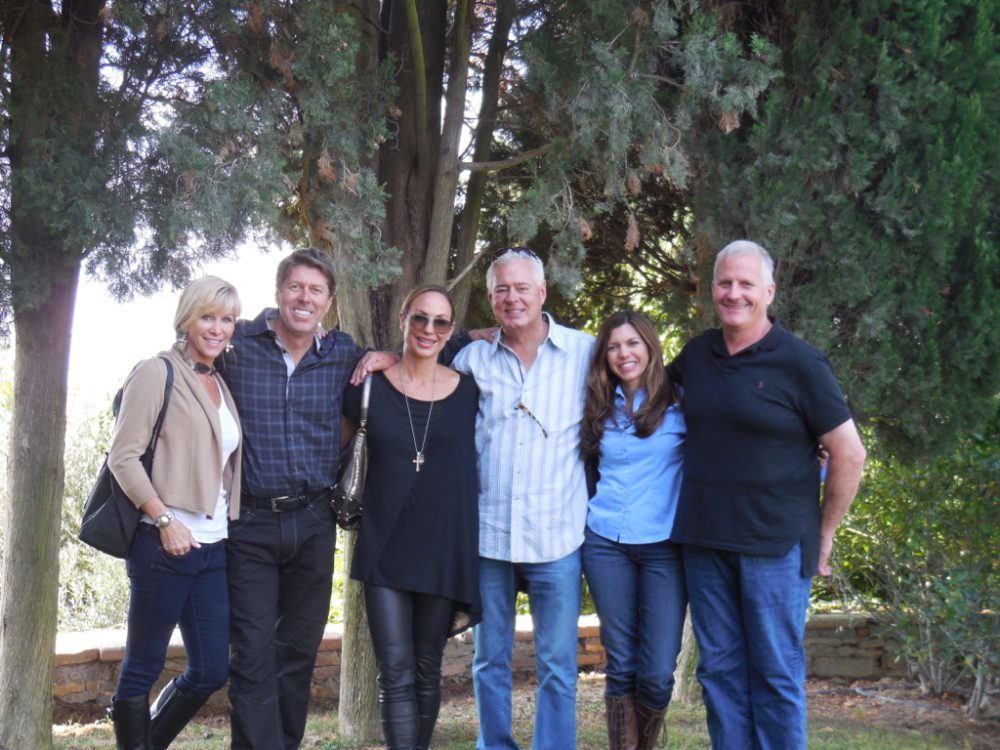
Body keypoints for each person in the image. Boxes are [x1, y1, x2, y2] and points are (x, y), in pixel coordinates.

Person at [669, 240, 867, 749]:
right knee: (718, 673)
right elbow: (638, 394)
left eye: (746, 284)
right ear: (712, 289)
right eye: (725, 283)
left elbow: (848, 452)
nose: (734, 294)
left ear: (769, 292)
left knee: (775, 674)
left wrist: (824, 533)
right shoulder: (696, 355)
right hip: (705, 541)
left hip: (775, 544)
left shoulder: (801, 364)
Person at [218, 248, 393, 750]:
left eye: (316, 291)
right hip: (249, 521)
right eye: (296, 287)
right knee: (251, 657)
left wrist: (392, 355)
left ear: (329, 302)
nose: (304, 298)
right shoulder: (238, 346)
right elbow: (186, 371)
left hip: (315, 523)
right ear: (278, 292)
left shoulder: (342, 354)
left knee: (297, 654)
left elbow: (422, 358)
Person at [450, 248, 595, 750]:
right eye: (502, 290)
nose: (512, 298)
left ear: (542, 293)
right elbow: (420, 359)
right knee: (490, 658)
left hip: (557, 536)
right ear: (490, 298)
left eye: (521, 288)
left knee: (558, 664)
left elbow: (644, 392)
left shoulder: (585, 352)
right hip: (489, 535)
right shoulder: (472, 359)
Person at [343, 284, 481, 750]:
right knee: (395, 671)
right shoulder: (367, 386)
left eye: (441, 321)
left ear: (451, 331)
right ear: (402, 319)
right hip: (384, 544)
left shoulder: (470, 392)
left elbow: (507, 332)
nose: (429, 329)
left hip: (444, 546)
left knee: (426, 668)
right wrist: (379, 355)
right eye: (419, 318)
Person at [108, 276, 243, 750]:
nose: (218, 328)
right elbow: (122, 457)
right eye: (208, 316)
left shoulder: (220, 383)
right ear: (186, 318)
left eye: (227, 320)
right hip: (162, 543)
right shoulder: (155, 371)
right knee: (142, 667)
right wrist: (164, 520)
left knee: (210, 669)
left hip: (213, 546)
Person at [580, 311, 686, 750]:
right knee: (621, 664)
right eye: (614, 346)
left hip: (664, 547)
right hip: (605, 543)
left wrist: (807, 458)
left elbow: (732, 447)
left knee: (658, 671)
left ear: (650, 347)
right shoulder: (595, 405)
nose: (624, 354)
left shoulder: (682, 403)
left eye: (633, 343)